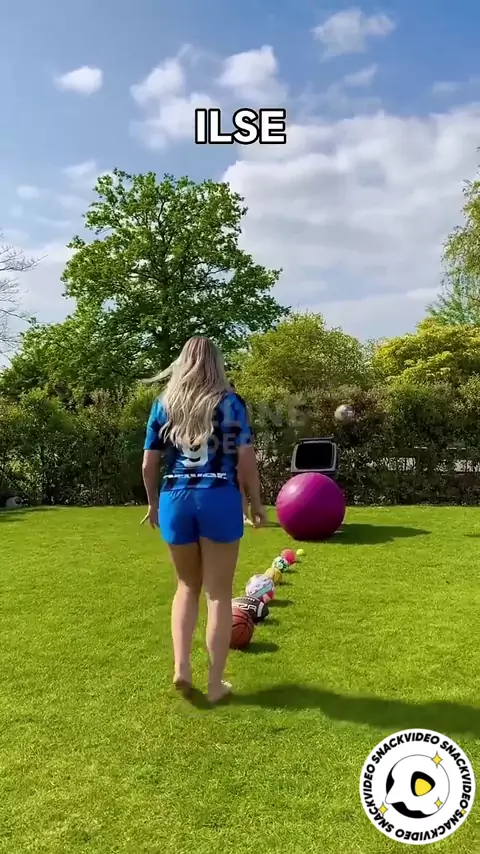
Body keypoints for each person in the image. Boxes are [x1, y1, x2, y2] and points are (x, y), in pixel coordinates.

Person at [141, 337, 267, 703]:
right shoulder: (230, 402)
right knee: (218, 594)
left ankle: (181, 667)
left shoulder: (164, 404)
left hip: (175, 498)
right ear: (216, 363)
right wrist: (256, 503)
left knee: (185, 586)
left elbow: (149, 463)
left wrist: (153, 503)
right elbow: (246, 460)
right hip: (218, 496)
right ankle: (214, 684)